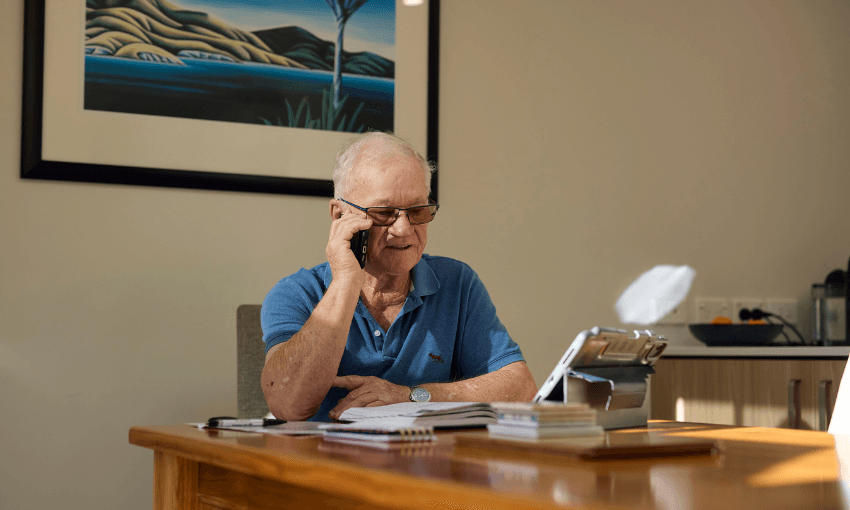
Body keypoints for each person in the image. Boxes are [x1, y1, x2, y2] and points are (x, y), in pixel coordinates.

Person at [260, 132, 537, 421]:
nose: (403, 229)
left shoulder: (457, 282)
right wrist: (345, 281)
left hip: (424, 462)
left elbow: (521, 388)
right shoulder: (295, 293)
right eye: (383, 213)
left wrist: (410, 396)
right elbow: (288, 405)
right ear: (339, 214)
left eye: (417, 211)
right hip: (325, 463)